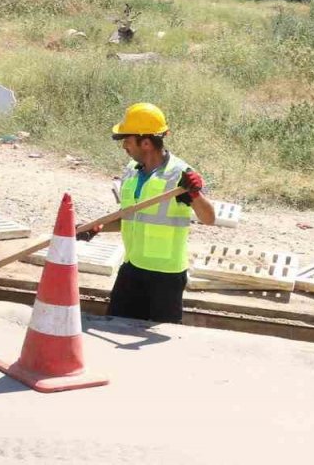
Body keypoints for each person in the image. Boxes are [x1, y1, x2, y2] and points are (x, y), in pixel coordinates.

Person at [77, 102, 215, 324]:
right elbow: (129, 218)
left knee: (161, 343)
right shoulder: (132, 171)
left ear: (147, 142)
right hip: (132, 269)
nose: (124, 147)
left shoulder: (180, 176)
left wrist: (196, 194)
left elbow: (209, 219)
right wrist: (97, 228)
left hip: (166, 277)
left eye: (127, 141)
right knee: (115, 325)